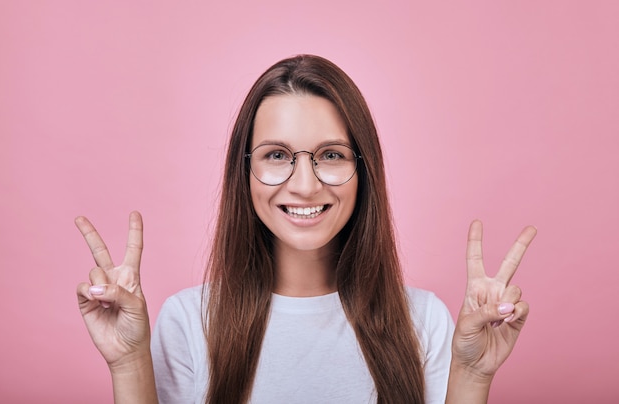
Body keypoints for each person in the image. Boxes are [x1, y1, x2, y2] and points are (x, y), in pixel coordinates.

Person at [75, 54, 537, 404]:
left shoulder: (425, 320)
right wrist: (128, 363)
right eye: (277, 155)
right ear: (245, 171)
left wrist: (473, 376)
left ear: (363, 171)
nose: (304, 184)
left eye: (331, 155)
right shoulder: (189, 320)